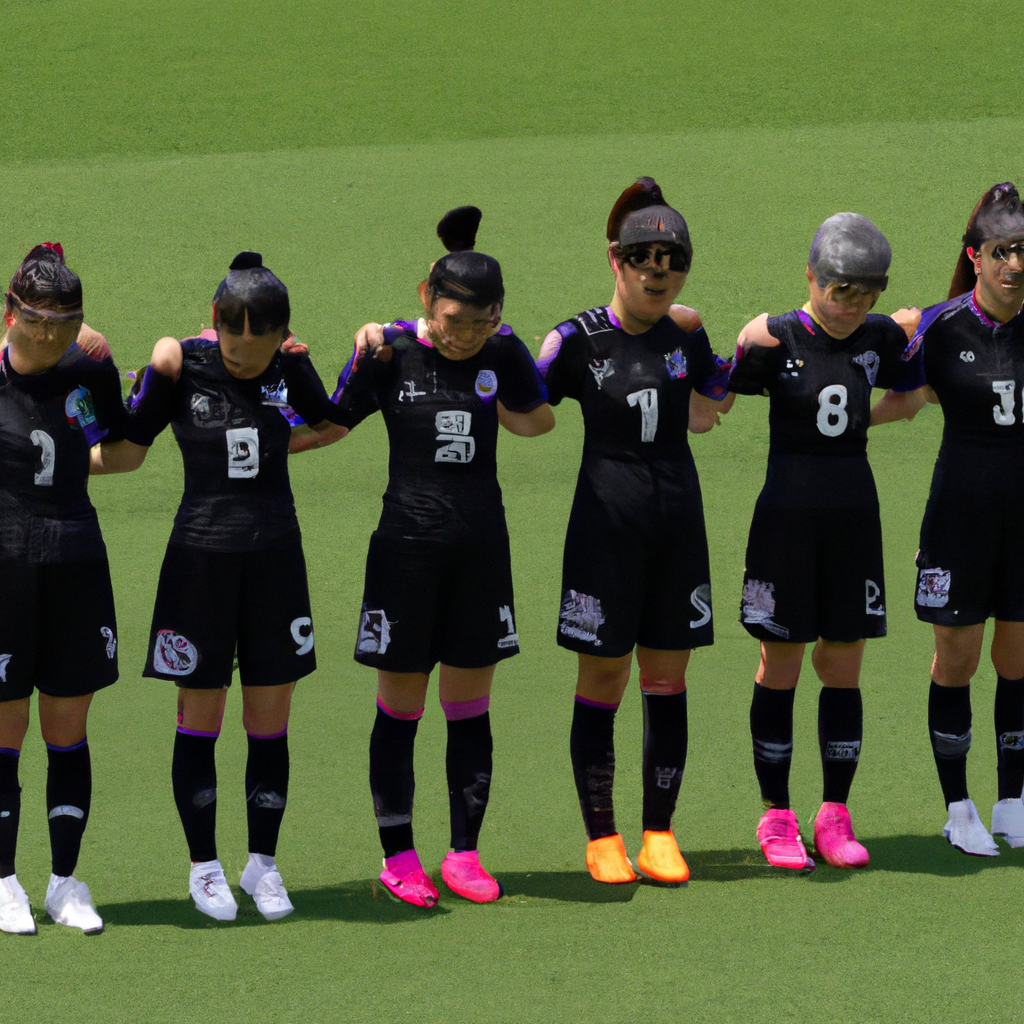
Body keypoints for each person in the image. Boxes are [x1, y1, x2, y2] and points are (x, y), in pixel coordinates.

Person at [90, 252, 341, 920]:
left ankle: (263, 865)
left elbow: (333, 422)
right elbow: (128, 440)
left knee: (269, 722)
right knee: (200, 721)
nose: (242, 358)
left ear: (282, 338)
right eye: (232, 346)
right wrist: (50, 464)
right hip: (199, 563)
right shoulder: (182, 367)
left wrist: (274, 442)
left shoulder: (290, 366)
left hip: (275, 561)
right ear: (215, 322)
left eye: (257, 350)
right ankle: (204, 868)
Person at [336, 208, 553, 907]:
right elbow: (326, 422)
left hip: (481, 552)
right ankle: (398, 856)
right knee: (401, 706)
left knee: (470, 707)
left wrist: (509, 355)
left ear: (497, 315)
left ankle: (464, 853)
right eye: (452, 319)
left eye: (479, 323)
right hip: (404, 554)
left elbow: (536, 422)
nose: (462, 336)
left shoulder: (499, 350)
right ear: (427, 298)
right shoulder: (391, 353)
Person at [536, 179, 733, 886]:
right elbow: (521, 401)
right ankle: (602, 836)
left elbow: (713, 402)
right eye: (643, 256)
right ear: (615, 260)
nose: (658, 269)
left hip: (679, 522)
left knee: (668, 677)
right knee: (603, 675)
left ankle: (659, 832)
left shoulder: (687, 333)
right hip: (604, 525)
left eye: (672, 258)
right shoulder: (575, 340)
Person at [728, 212, 924, 870]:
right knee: (780, 661)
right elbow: (720, 391)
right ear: (811, 277)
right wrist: (742, 336)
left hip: (852, 520)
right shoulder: (774, 337)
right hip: (785, 520)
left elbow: (911, 393)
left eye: (865, 295)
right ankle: (776, 815)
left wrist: (900, 338)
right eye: (840, 291)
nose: (852, 307)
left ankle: (834, 814)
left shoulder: (878, 336)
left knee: (843, 666)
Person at [876, 184, 1024, 856]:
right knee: (956, 660)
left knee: (1017, 661)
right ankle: (958, 806)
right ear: (976, 256)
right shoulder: (938, 327)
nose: (1013, 266)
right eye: (1000, 253)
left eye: (1022, 252)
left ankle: (1013, 800)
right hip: (958, 526)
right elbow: (896, 402)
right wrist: (828, 411)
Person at [0, 244, 136, 935]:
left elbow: (123, 449)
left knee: (67, 730)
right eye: (36, 321)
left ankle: (64, 882)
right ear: (11, 313)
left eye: (63, 323)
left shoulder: (89, 369)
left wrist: (66, 471)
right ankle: (2, 879)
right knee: (5, 727)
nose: (49, 335)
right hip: (4, 572)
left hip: (76, 561)